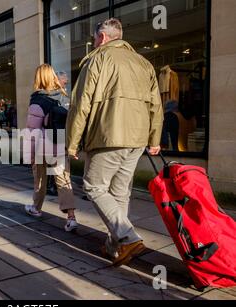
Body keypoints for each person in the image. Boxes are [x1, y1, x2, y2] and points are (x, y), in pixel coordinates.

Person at [66, 18, 163, 266]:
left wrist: (72, 142)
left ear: (103, 37)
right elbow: (156, 104)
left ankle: (128, 238)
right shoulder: (144, 63)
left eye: (95, 38)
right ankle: (114, 246)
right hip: (137, 138)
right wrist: (154, 138)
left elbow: (81, 104)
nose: (94, 42)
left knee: (94, 187)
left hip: (108, 134)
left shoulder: (97, 59)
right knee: (120, 193)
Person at [25, 63, 78, 232]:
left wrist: (30, 154)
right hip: (61, 145)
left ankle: (36, 208)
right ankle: (71, 218)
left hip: (42, 147)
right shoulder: (64, 96)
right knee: (63, 181)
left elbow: (33, 132)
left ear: (38, 78)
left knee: (39, 180)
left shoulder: (37, 99)